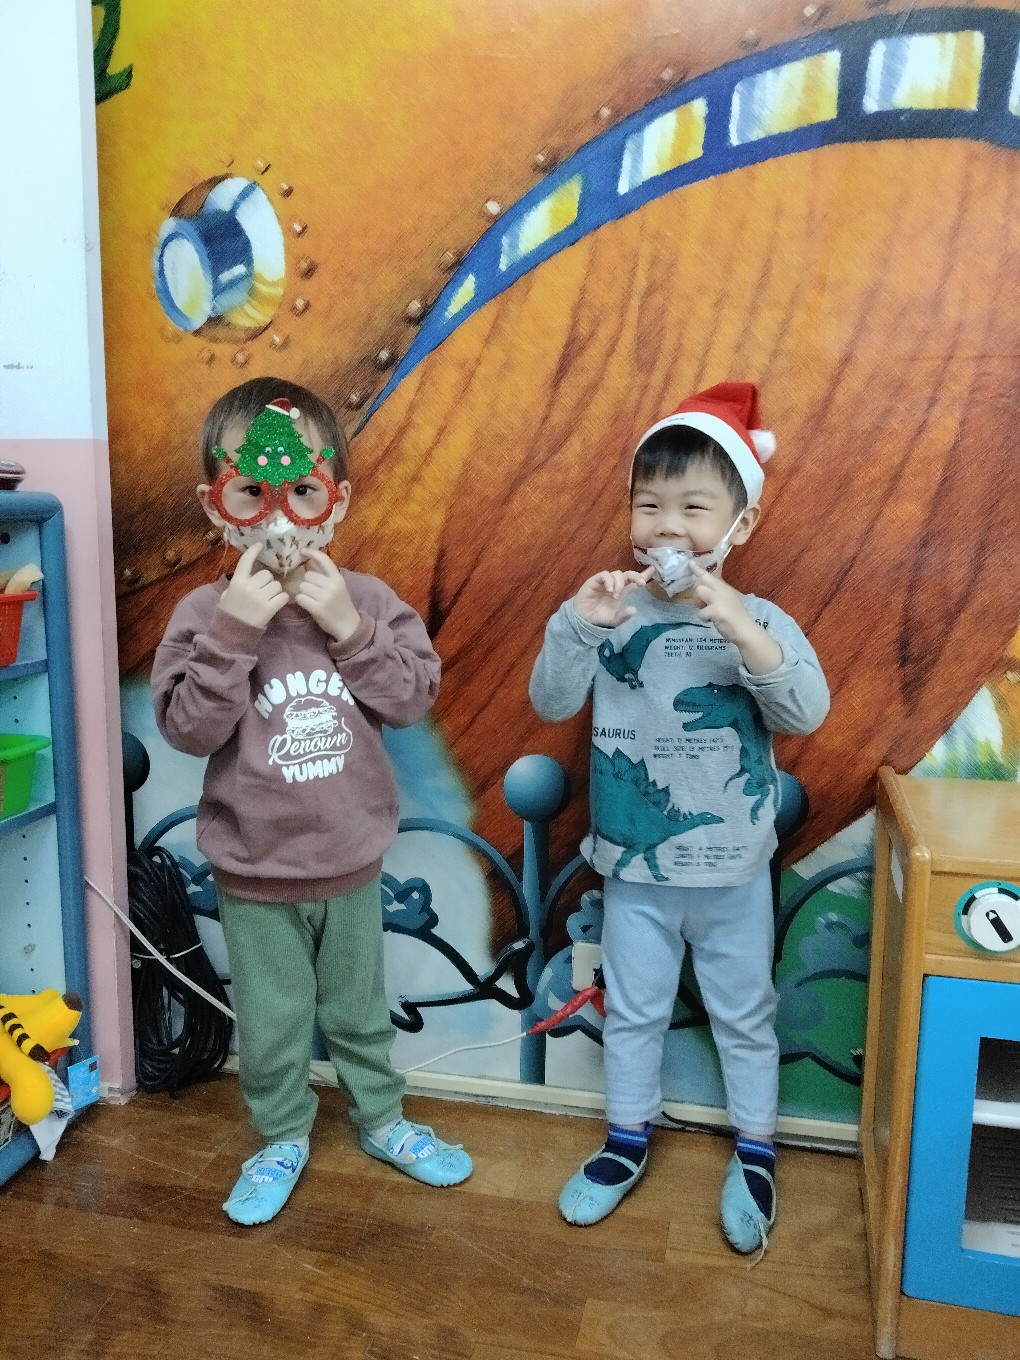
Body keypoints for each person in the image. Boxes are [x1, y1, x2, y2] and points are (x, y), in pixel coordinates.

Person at [152, 377, 472, 1225]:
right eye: (251, 493)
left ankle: (384, 1119)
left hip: (351, 863)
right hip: (254, 872)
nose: (279, 518)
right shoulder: (201, 613)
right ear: (215, 504)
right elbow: (188, 729)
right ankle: (282, 1135)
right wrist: (233, 628)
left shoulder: (367, 602)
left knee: (360, 1011)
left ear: (338, 498)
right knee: (273, 1021)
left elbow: (410, 698)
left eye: (302, 490)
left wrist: (349, 627)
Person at [529, 383, 829, 1254]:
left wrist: (740, 626)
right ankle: (626, 1140)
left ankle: (758, 1149)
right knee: (635, 1012)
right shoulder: (609, 613)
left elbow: (805, 711)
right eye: (650, 504)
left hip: (734, 870)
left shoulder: (759, 619)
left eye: (694, 508)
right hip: (635, 869)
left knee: (746, 1013)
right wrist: (578, 627)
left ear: (741, 523)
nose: (668, 525)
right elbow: (550, 701)